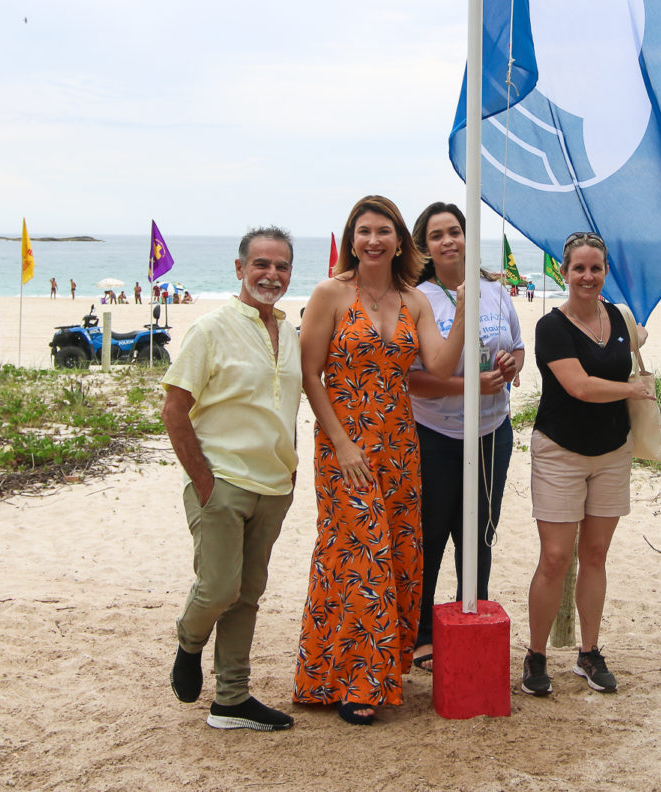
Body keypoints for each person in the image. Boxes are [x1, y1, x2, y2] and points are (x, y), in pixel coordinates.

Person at [293, 195, 467, 726]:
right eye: (364, 231)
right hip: (345, 444)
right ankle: (361, 685)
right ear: (352, 238)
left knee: (393, 554)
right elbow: (309, 374)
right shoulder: (330, 293)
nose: (373, 240)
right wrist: (342, 443)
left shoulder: (414, 299)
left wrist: (464, 304)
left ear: (399, 241)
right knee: (356, 552)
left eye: (384, 231)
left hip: (399, 443)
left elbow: (438, 364)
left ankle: (349, 672)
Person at [161, 227, 302, 733]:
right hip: (221, 483)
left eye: (281, 266)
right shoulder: (211, 329)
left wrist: (292, 465)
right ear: (239, 268)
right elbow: (174, 409)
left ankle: (231, 700)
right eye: (261, 264)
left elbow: (287, 406)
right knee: (219, 587)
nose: (272, 274)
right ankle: (188, 641)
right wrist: (204, 482)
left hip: (274, 487)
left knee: (248, 593)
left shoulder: (290, 334)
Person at [520, 232, 654, 698]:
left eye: (596, 268)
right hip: (560, 451)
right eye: (579, 268)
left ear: (605, 272)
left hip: (612, 452)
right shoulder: (550, 326)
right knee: (556, 558)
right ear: (564, 271)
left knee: (596, 555)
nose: (587, 276)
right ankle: (536, 654)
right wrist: (632, 390)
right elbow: (579, 385)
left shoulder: (618, 316)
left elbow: (634, 340)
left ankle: (588, 652)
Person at [406, 203, 524, 673]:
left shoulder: (494, 290)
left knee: (479, 536)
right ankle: (422, 635)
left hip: (492, 433)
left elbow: (515, 346)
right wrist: (466, 386)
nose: (449, 241)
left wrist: (513, 364)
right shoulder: (417, 298)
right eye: (438, 235)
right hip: (435, 433)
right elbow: (412, 378)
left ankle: (469, 620)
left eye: (455, 232)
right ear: (425, 246)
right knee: (432, 534)